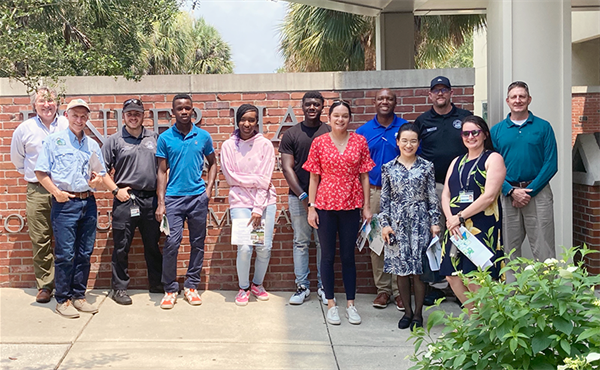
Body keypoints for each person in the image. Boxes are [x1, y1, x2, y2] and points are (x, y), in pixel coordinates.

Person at [304, 100, 375, 326]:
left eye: (345, 116)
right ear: (329, 117)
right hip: (325, 205)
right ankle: (331, 304)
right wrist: (312, 206)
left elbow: (365, 175)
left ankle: (351, 305)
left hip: (351, 204)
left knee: (348, 256)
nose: (340, 120)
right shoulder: (319, 143)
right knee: (327, 255)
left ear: (349, 118)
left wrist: (366, 206)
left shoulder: (359, 141)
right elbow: (314, 177)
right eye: (336, 116)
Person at [34, 98, 106, 318]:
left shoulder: (92, 145)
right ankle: (63, 299)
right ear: (67, 116)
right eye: (75, 115)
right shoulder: (54, 141)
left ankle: (79, 296)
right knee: (65, 254)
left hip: (88, 203)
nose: (79, 119)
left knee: (84, 252)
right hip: (65, 203)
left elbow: (100, 173)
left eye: (84, 116)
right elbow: (41, 172)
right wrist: (56, 192)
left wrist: (97, 181)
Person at [155, 94, 217, 310]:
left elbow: (213, 164)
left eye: (187, 108)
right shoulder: (165, 138)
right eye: (179, 108)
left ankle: (191, 286)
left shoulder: (203, 136)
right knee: (172, 243)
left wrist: (208, 190)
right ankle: (170, 289)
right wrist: (161, 203)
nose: (183, 112)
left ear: (193, 111)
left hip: (198, 198)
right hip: (173, 199)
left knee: (198, 243)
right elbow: (162, 171)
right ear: (173, 112)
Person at [439, 115, 506, 314]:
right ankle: (474, 318)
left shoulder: (493, 158)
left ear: (484, 134)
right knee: (452, 274)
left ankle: (485, 324)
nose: (470, 137)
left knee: (475, 276)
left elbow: (489, 196)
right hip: (455, 227)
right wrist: (451, 219)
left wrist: (460, 217)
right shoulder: (456, 161)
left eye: (475, 132)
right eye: (466, 133)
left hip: (481, 224)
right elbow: (446, 193)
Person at [414, 76, 472, 305]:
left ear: (450, 93)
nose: (440, 94)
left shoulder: (464, 117)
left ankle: (462, 286)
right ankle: (437, 286)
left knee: (462, 234)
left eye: (444, 90)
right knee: (435, 235)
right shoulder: (422, 120)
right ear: (430, 95)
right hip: (432, 187)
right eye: (435, 90)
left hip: (462, 188)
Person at [101, 99, 163, 305]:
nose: (133, 117)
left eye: (137, 113)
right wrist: (116, 191)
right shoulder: (114, 141)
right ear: (124, 115)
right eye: (129, 113)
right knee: (121, 246)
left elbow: (164, 168)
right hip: (126, 199)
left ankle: (157, 283)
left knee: (153, 244)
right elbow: (101, 171)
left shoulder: (155, 138)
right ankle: (119, 288)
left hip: (151, 199)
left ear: (144, 114)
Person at [380, 123, 440, 331]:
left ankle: (418, 314)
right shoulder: (388, 168)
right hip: (397, 224)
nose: (408, 144)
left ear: (418, 143)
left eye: (413, 141)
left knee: (419, 269)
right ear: (397, 142)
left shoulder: (426, 167)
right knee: (401, 270)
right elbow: (384, 200)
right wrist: (385, 225)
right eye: (404, 140)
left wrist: (435, 223)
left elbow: (432, 197)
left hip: (420, 221)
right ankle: (406, 312)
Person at [10, 87, 68, 303]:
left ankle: (65, 284)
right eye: (42, 101)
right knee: (41, 238)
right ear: (34, 105)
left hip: (65, 189)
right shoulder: (24, 129)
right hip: (37, 190)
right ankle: (45, 285)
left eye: (51, 101)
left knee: (66, 238)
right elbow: (18, 160)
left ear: (57, 104)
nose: (47, 105)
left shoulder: (66, 125)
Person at [490, 81, 558, 262]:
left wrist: (529, 191)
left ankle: (548, 290)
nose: (518, 100)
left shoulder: (544, 127)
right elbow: (491, 167)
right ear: (507, 100)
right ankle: (512, 291)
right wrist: (511, 191)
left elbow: (551, 163)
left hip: (539, 193)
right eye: (514, 97)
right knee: (508, 251)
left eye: (522, 96)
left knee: (544, 249)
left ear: (529, 99)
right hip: (507, 194)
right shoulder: (497, 131)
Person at [221, 104, 277, 306]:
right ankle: (243, 288)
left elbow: (266, 180)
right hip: (240, 203)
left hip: (264, 202)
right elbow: (230, 177)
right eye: (243, 119)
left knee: (263, 247)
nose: (247, 124)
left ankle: (257, 284)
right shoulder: (228, 146)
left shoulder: (265, 145)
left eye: (252, 120)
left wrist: (258, 208)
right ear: (237, 121)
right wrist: (254, 180)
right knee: (245, 247)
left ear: (257, 122)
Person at [356, 88, 406, 310]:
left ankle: (399, 291)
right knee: (377, 240)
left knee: (398, 241)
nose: (385, 102)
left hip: (400, 193)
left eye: (389, 98)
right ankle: (383, 290)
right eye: (380, 99)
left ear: (395, 102)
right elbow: (357, 167)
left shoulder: (405, 128)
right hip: (374, 191)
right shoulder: (364, 131)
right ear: (374, 102)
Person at [280, 91, 330, 305]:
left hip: (327, 198)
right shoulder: (291, 134)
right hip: (297, 196)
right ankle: (302, 287)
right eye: (308, 104)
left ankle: (322, 285)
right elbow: (286, 167)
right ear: (302, 106)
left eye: (316, 104)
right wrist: (302, 194)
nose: (312, 108)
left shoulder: (329, 131)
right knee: (301, 242)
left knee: (323, 243)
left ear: (322, 107)